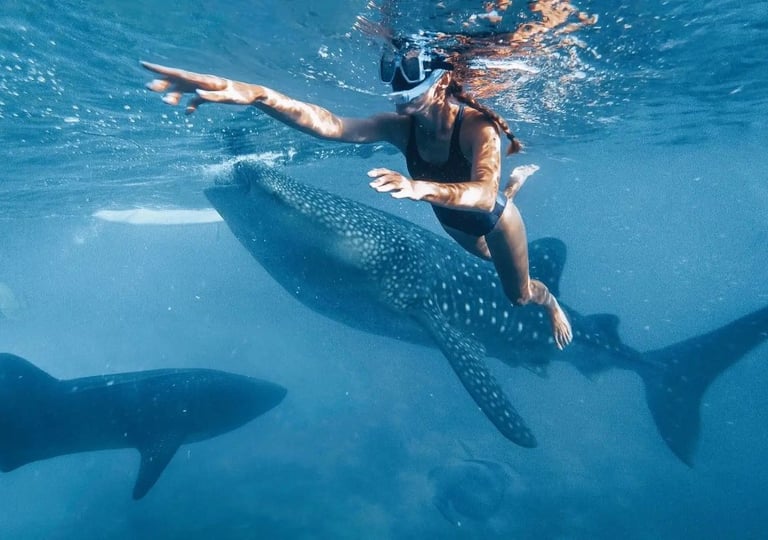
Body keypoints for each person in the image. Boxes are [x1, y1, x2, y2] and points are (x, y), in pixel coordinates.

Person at [141, 40, 573, 349]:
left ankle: (550, 300)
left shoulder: (480, 127)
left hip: (491, 220)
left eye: (411, 93)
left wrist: (418, 187)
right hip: (457, 225)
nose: (399, 102)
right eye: (396, 92)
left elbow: (481, 194)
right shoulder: (400, 125)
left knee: (518, 293)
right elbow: (330, 124)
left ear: (441, 84)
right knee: (480, 239)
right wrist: (257, 96)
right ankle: (515, 185)